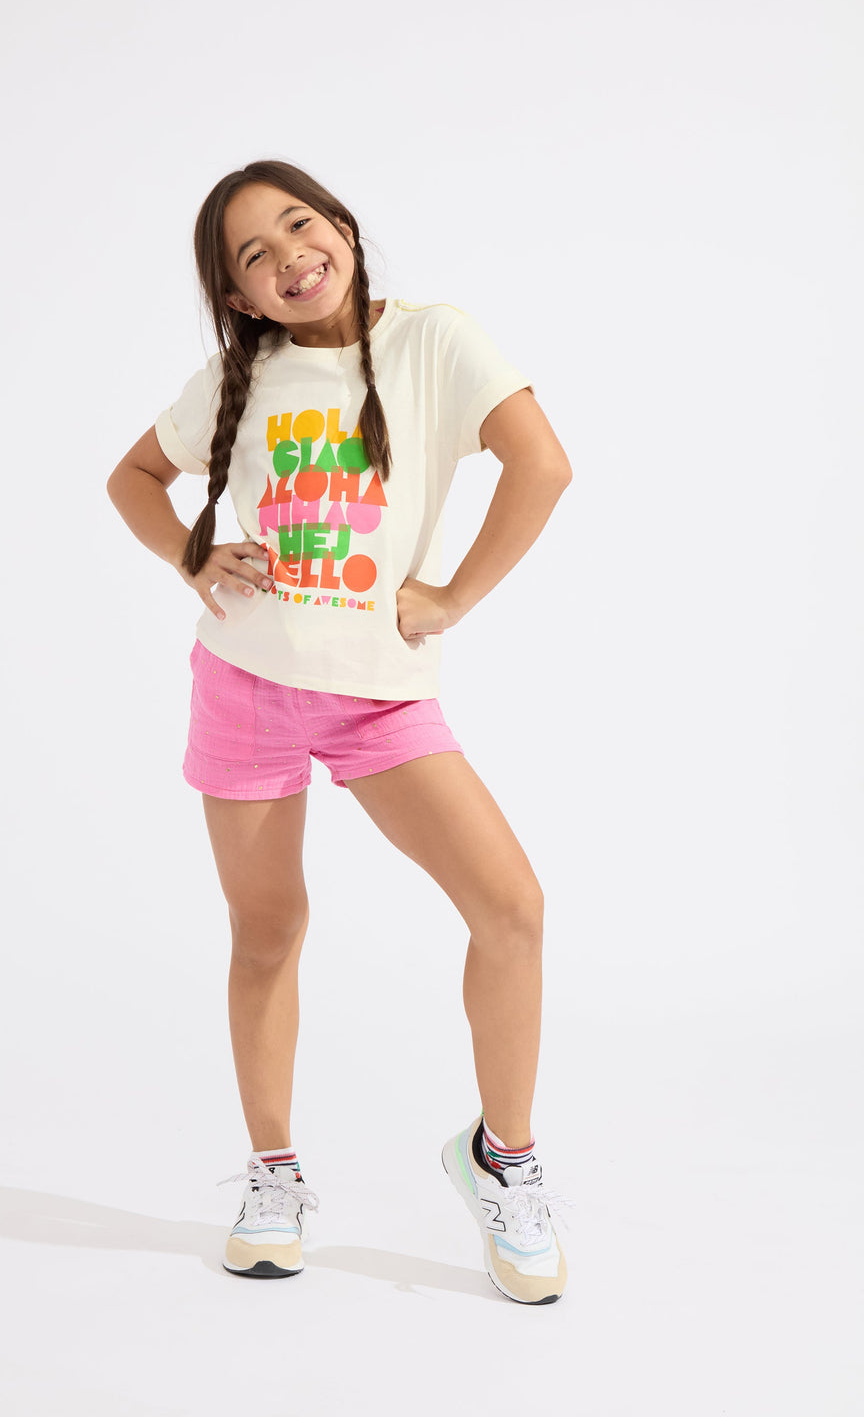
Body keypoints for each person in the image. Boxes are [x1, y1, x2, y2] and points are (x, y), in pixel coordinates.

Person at [106, 159, 575, 1305]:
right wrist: (191, 554)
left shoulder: (433, 341)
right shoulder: (238, 377)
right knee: (267, 932)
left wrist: (453, 597)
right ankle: (271, 1178)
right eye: (253, 257)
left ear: (343, 228)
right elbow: (133, 478)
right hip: (245, 685)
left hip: (380, 697)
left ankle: (501, 1160)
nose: (288, 258)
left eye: (297, 226)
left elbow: (542, 464)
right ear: (240, 296)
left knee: (511, 910)